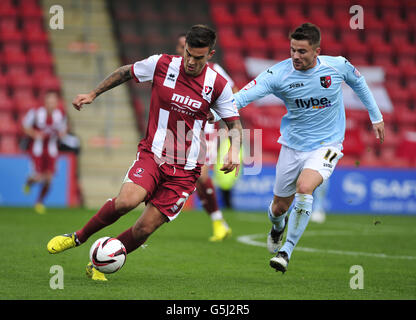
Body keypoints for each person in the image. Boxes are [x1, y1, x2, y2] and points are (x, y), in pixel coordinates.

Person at [46, 25, 242, 281]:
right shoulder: (161, 63)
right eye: (188, 54)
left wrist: (234, 151)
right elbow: (126, 72)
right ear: (183, 49)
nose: (191, 62)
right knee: (127, 201)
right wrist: (93, 93)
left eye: (198, 57)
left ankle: (101, 259)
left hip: (185, 170)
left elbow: (234, 124)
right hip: (154, 154)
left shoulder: (217, 84)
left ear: (210, 55)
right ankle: (78, 237)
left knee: (144, 228)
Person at [229, 23, 384, 273]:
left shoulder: (337, 66)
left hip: (328, 144)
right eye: (292, 50)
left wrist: (375, 116)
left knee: (305, 187)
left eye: (302, 51)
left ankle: (286, 251)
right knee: (278, 207)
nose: (295, 56)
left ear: (316, 51)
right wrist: (210, 113)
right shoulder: (278, 74)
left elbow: (360, 83)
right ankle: (278, 227)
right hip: (292, 146)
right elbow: (244, 97)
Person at [176, 33, 239, 241]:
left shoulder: (215, 70)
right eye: (182, 47)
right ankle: (218, 221)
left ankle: (219, 222)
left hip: (206, 130)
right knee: (194, 178)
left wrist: (216, 113)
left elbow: (234, 93)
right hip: (178, 130)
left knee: (201, 174)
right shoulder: (172, 69)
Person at [22, 90, 67, 214]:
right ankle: (29, 182)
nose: (51, 104)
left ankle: (39, 202)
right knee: (38, 177)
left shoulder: (60, 114)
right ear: (45, 102)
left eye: (54, 101)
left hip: (51, 150)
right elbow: (25, 127)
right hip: (37, 149)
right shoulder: (36, 112)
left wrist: (61, 135)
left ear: (56, 103)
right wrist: (35, 134)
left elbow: (63, 131)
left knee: (48, 179)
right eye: (49, 101)